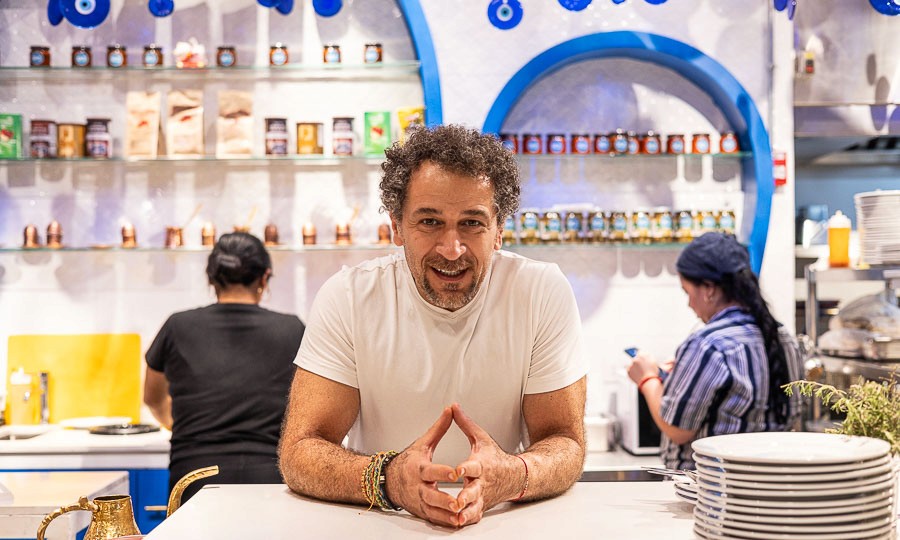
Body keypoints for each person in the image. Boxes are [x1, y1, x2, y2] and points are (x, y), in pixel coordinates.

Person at [278, 124, 587, 528]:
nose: (451, 248)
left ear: (499, 230)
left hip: (499, 524)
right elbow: (300, 451)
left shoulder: (540, 291)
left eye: (472, 223)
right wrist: (388, 480)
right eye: (429, 221)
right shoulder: (349, 296)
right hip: (378, 525)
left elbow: (565, 442)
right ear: (397, 226)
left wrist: (513, 475)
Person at [144, 232, 305, 502]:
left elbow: (152, 399)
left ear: (210, 278)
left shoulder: (177, 326)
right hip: (272, 478)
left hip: (194, 480)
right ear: (264, 278)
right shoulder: (293, 329)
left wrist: (189, 426)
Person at [626, 232, 803, 470]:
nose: (689, 304)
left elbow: (677, 430)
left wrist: (646, 378)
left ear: (709, 289)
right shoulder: (784, 340)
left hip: (710, 492)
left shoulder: (708, 344)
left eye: (688, 292)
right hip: (765, 487)